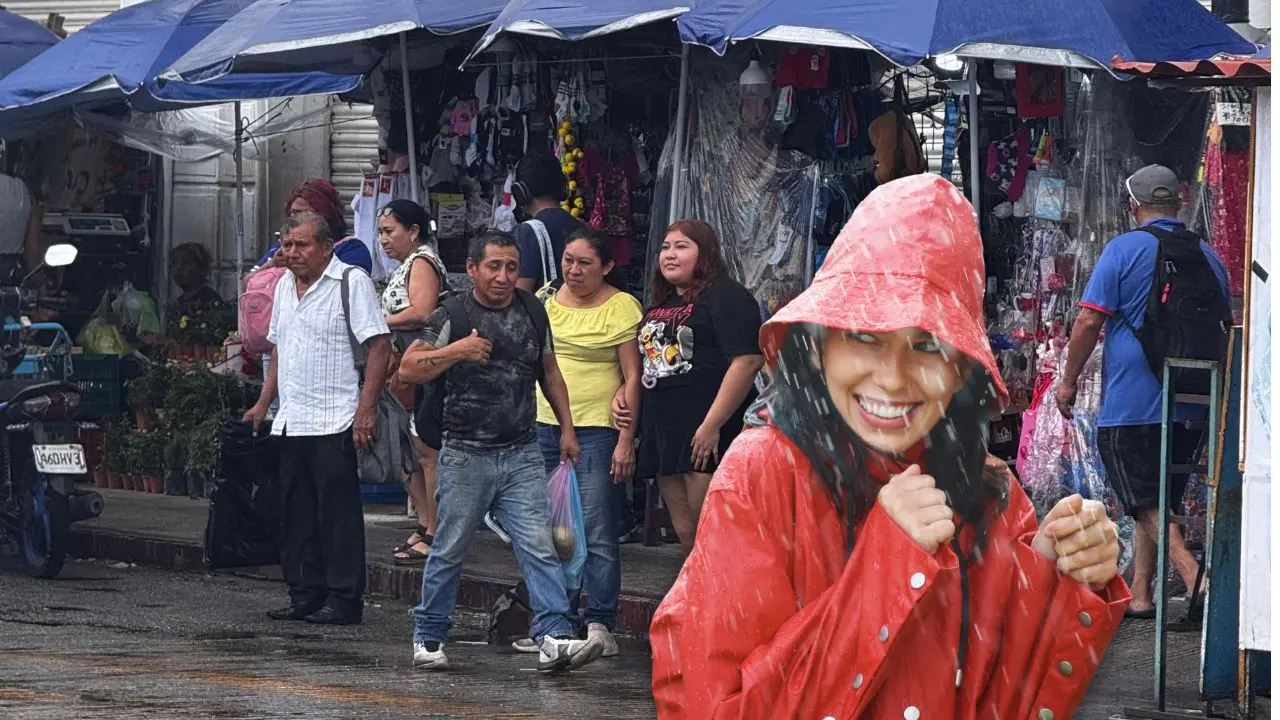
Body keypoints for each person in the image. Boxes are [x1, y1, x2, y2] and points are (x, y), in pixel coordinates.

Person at [650, 174, 1130, 718]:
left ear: (960, 372)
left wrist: (1055, 576)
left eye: (927, 346)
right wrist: (889, 563)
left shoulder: (992, 492)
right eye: (863, 337)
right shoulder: (761, 474)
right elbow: (721, 706)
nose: (895, 379)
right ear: (820, 347)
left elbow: (1000, 699)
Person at [399, 231, 600, 673]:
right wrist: (458, 350)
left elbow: (551, 371)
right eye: (494, 266)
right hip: (465, 455)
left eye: (512, 267)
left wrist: (567, 429)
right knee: (450, 547)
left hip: (522, 452)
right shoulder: (452, 311)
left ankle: (554, 637)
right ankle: (429, 634)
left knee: (540, 547)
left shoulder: (532, 309)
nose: (504, 276)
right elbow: (409, 367)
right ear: (472, 269)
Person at [1056, 164, 1230, 620]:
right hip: (1192, 398)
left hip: (1133, 400)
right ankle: (1141, 594)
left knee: (1142, 499)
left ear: (1133, 204)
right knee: (1160, 497)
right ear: (1180, 201)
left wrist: (1069, 379)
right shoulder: (1208, 256)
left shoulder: (1123, 250)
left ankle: (1195, 578)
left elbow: (1089, 320)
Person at [243, 211, 391, 626]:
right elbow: (278, 352)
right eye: (287, 245)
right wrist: (263, 404)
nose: (291, 253)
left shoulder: (351, 282)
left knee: (337, 517)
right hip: (292, 418)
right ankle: (305, 593)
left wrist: (366, 409)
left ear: (327, 247)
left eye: (301, 245)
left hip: (336, 418)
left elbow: (380, 346)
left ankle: (343, 599)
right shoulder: (284, 286)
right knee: (297, 514)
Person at [525, 227, 642, 658]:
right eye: (567, 260)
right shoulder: (543, 301)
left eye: (584, 263)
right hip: (542, 426)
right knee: (549, 531)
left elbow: (633, 377)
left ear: (607, 266)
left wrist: (626, 440)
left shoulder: (621, 307)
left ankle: (599, 622)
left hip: (596, 431)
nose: (572, 270)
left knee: (595, 531)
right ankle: (556, 622)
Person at [614, 219, 764, 554]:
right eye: (665, 247)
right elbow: (644, 363)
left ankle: (727, 604)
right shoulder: (661, 302)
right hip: (665, 430)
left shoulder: (726, 294)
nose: (669, 254)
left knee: (715, 535)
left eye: (682, 246)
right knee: (689, 539)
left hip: (708, 431)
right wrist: (620, 393)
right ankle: (698, 601)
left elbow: (748, 361)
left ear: (705, 253)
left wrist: (712, 425)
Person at [377, 199, 451, 565]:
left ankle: (435, 530)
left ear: (414, 232)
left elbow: (421, 311)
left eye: (390, 232)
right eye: (381, 233)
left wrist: (375, 321)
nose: (383, 240)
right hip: (403, 366)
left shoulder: (423, 262)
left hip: (423, 366)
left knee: (427, 453)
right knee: (412, 455)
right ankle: (424, 523)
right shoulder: (408, 263)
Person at [253, 179, 372, 274]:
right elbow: (248, 283)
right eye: (293, 213)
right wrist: (272, 264)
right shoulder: (283, 248)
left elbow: (351, 288)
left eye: (305, 213)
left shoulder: (351, 249)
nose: (296, 220)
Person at [513, 152, 584, 293]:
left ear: (520, 192)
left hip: (544, 314)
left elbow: (521, 294)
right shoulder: (581, 227)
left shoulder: (529, 231)